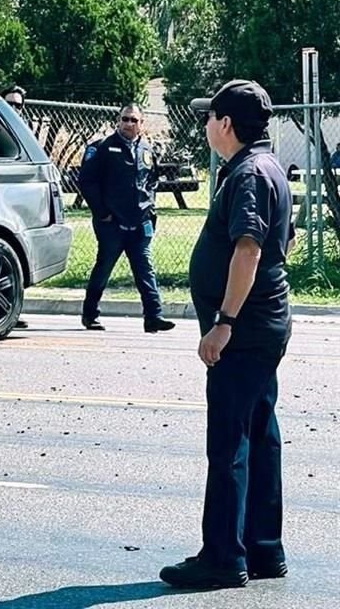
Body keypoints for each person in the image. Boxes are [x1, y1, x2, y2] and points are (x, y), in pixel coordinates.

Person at [160, 80, 294, 589]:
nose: (207, 126)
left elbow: (249, 250)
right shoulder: (267, 166)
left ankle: (222, 556)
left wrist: (224, 322)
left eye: (210, 118)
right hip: (265, 323)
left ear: (227, 125)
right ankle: (262, 550)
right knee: (259, 433)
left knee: (230, 441)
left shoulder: (247, 174)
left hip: (246, 327)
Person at [77, 103, 175, 333]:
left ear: (142, 124)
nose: (128, 124)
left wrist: (149, 208)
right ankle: (90, 314)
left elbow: (152, 180)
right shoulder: (102, 148)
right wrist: (102, 212)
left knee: (144, 268)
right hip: (112, 223)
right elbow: (87, 182)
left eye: (133, 120)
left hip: (140, 221)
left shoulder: (147, 149)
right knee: (104, 267)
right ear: (118, 121)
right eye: (124, 119)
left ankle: (154, 316)